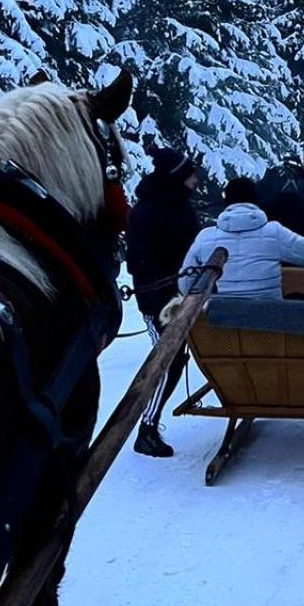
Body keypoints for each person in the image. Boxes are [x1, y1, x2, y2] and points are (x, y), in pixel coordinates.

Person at [126, 148, 201, 458]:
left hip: (174, 293)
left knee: (173, 358)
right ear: (178, 178)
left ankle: (149, 424)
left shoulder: (168, 206)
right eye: (191, 175)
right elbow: (141, 259)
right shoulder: (155, 210)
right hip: (159, 297)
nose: (196, 181)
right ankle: (146, 428)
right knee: (166, 361)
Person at [180, 176, 304, 300]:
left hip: (219, 319)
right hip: (267, 317)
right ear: (256, 201)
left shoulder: (205, 237)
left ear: (226, 203)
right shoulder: (274, 232)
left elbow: (186, 284)